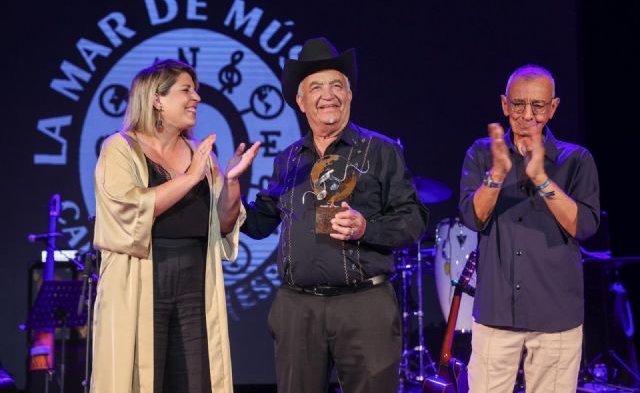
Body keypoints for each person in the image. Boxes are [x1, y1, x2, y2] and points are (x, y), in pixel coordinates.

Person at [241, 37, 428, 393]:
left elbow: (413, 219)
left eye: (337, 85)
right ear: (301, 101)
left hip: (364, 306)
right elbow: (262, 221)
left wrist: (366, 227)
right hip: (298, 309)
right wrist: (230, 188)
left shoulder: (381, 150)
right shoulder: (289, 158)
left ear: (350, 95)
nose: (329, 95)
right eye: (316, 87)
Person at [91, 59, 260, 393]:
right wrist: (191, 177)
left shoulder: (200, 154)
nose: (196, 97)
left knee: (197, 379)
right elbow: (130, 209)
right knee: (140, 379)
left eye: (195, 90)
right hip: (140, 280)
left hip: (195, 283)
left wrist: (232, 182)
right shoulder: (120, 148)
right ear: (157, 99)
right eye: (186, 90)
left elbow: (222, 225)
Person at [459, 65, 600, 392]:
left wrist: (541, 179)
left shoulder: (576, 159)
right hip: (496, 315)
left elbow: (584, 226)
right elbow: (472, 218)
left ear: (553, 108)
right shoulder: (482, 153)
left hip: (556, 316)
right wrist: (496, 175)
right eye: (518, 105)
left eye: (538, 106)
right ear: (505, 105)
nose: (527, 115)